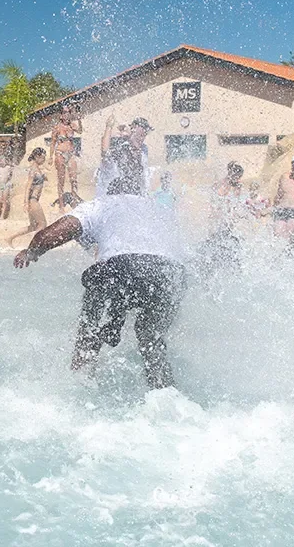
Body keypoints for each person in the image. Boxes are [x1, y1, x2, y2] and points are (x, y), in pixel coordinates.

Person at [13, 159, 186, 390]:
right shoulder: (157, 210)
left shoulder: (101, 205)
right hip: (170, 273)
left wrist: (31, 252)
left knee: (92, 314)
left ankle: (81, 375)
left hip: (123, 267)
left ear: (109, 192)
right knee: (150, 336)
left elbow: (52, 234)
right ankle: (165, 392)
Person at [9, 148, 47, 244]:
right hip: (33, 200)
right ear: (37, 157)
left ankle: (10, 238)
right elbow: (28, 187)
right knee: (42, 224)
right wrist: (26, 203)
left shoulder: (37, 168)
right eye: (43, 158)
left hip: (33, 200)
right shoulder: (33, 169)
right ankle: (33, 244)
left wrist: (43, 177)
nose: (44, 160)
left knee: (33, 226)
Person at [50, 107, 82, 211]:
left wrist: (79, 120)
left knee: (74, 179)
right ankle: (61, 205)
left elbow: (81, 131)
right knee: (61, 180)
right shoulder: (57, 127)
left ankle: (74, 200)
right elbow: (53, 143)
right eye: (65, 113)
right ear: (61, 115)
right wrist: (50, 157)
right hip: (60, 153)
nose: (67, 115)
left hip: (71, 154)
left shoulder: (72, 126)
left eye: (69, 112)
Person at [0, 154, 13, 219]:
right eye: (0, 160)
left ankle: (3, 216)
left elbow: (12, 174)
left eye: (3, 160)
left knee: (4, 200)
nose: (1, 162)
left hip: (6, 184)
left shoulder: (8, 167)